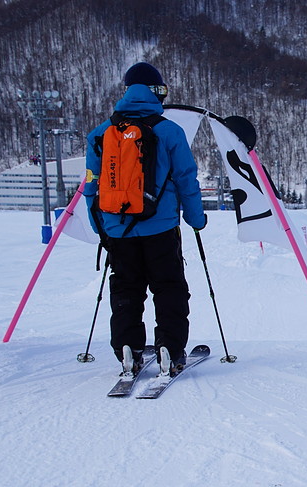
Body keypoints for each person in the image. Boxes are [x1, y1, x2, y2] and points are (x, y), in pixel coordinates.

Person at [84, 62, 206, 377]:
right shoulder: (169, 131)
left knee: (126, 289)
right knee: (169, 288)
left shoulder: (100, 134)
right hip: (161, 228)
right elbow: (186, 179)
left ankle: (128, 349)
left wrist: (103, 229)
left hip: (117, 230)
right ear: (155, 93)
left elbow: (90, 187)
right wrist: (195, 219)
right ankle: (169, 348)